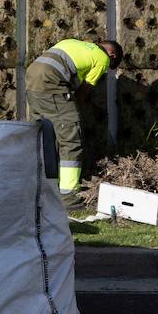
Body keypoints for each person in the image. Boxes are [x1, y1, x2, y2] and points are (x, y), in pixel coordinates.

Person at [26, 37, 124, 212]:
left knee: (44, 137)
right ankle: (68, 198)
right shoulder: (102, 58)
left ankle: (38, 191)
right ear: (112, 55)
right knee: (71, 138)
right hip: (51, 82)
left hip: (33, 75)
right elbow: (84, 90)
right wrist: (75, 112)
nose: (105, 70)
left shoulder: (73, 42)